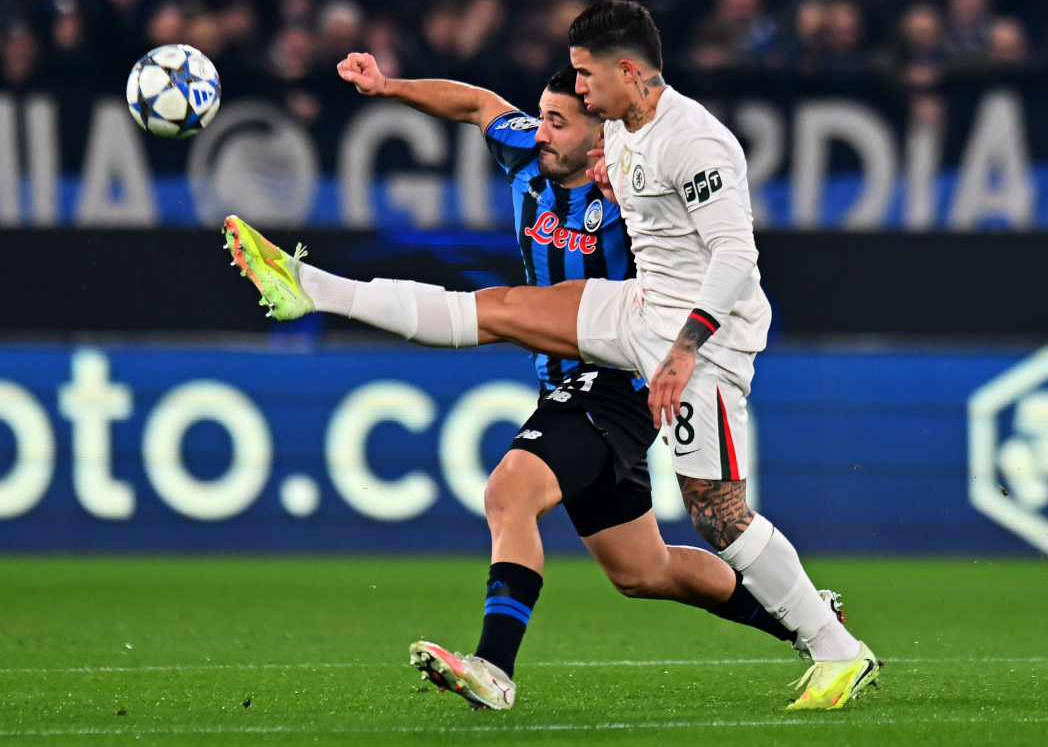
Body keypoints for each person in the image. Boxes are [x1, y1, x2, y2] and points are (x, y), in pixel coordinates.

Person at [222, 61, 845, 710]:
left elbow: (721, 246)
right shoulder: (528, 150)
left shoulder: (635, 191)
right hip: (566, 375)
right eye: (541, 118)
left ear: (600, 137)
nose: (540, 133)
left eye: (557, 122)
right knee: (641, 569)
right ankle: (807, 620)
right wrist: (388, 87)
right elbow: (476, 104)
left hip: (624, 374)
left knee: (509, 488)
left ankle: (493, 666)